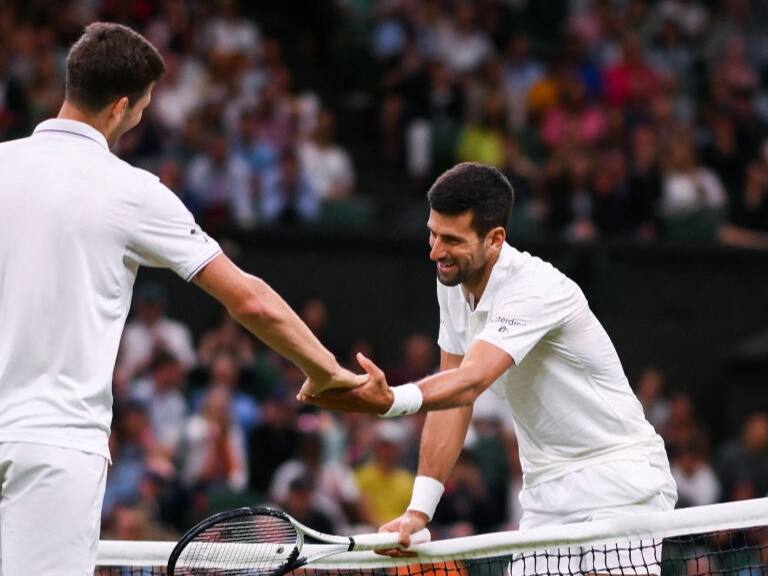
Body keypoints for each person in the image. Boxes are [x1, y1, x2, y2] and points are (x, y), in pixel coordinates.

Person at [0, 22, 362, 576]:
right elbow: (251, 302)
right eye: (143, 106)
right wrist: (330, 373)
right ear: (122, 107)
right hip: (53, 447)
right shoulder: (133, 190)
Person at [301, 163, 677, 570]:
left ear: (495, 238)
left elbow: (471, 382)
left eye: (451, 239)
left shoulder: (535, 288)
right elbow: (451, 401)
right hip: (545, 493)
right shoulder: (452, 278)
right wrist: (418, 512)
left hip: (619, 481)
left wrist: (391, 400)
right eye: (432, 233)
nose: (435, 251)